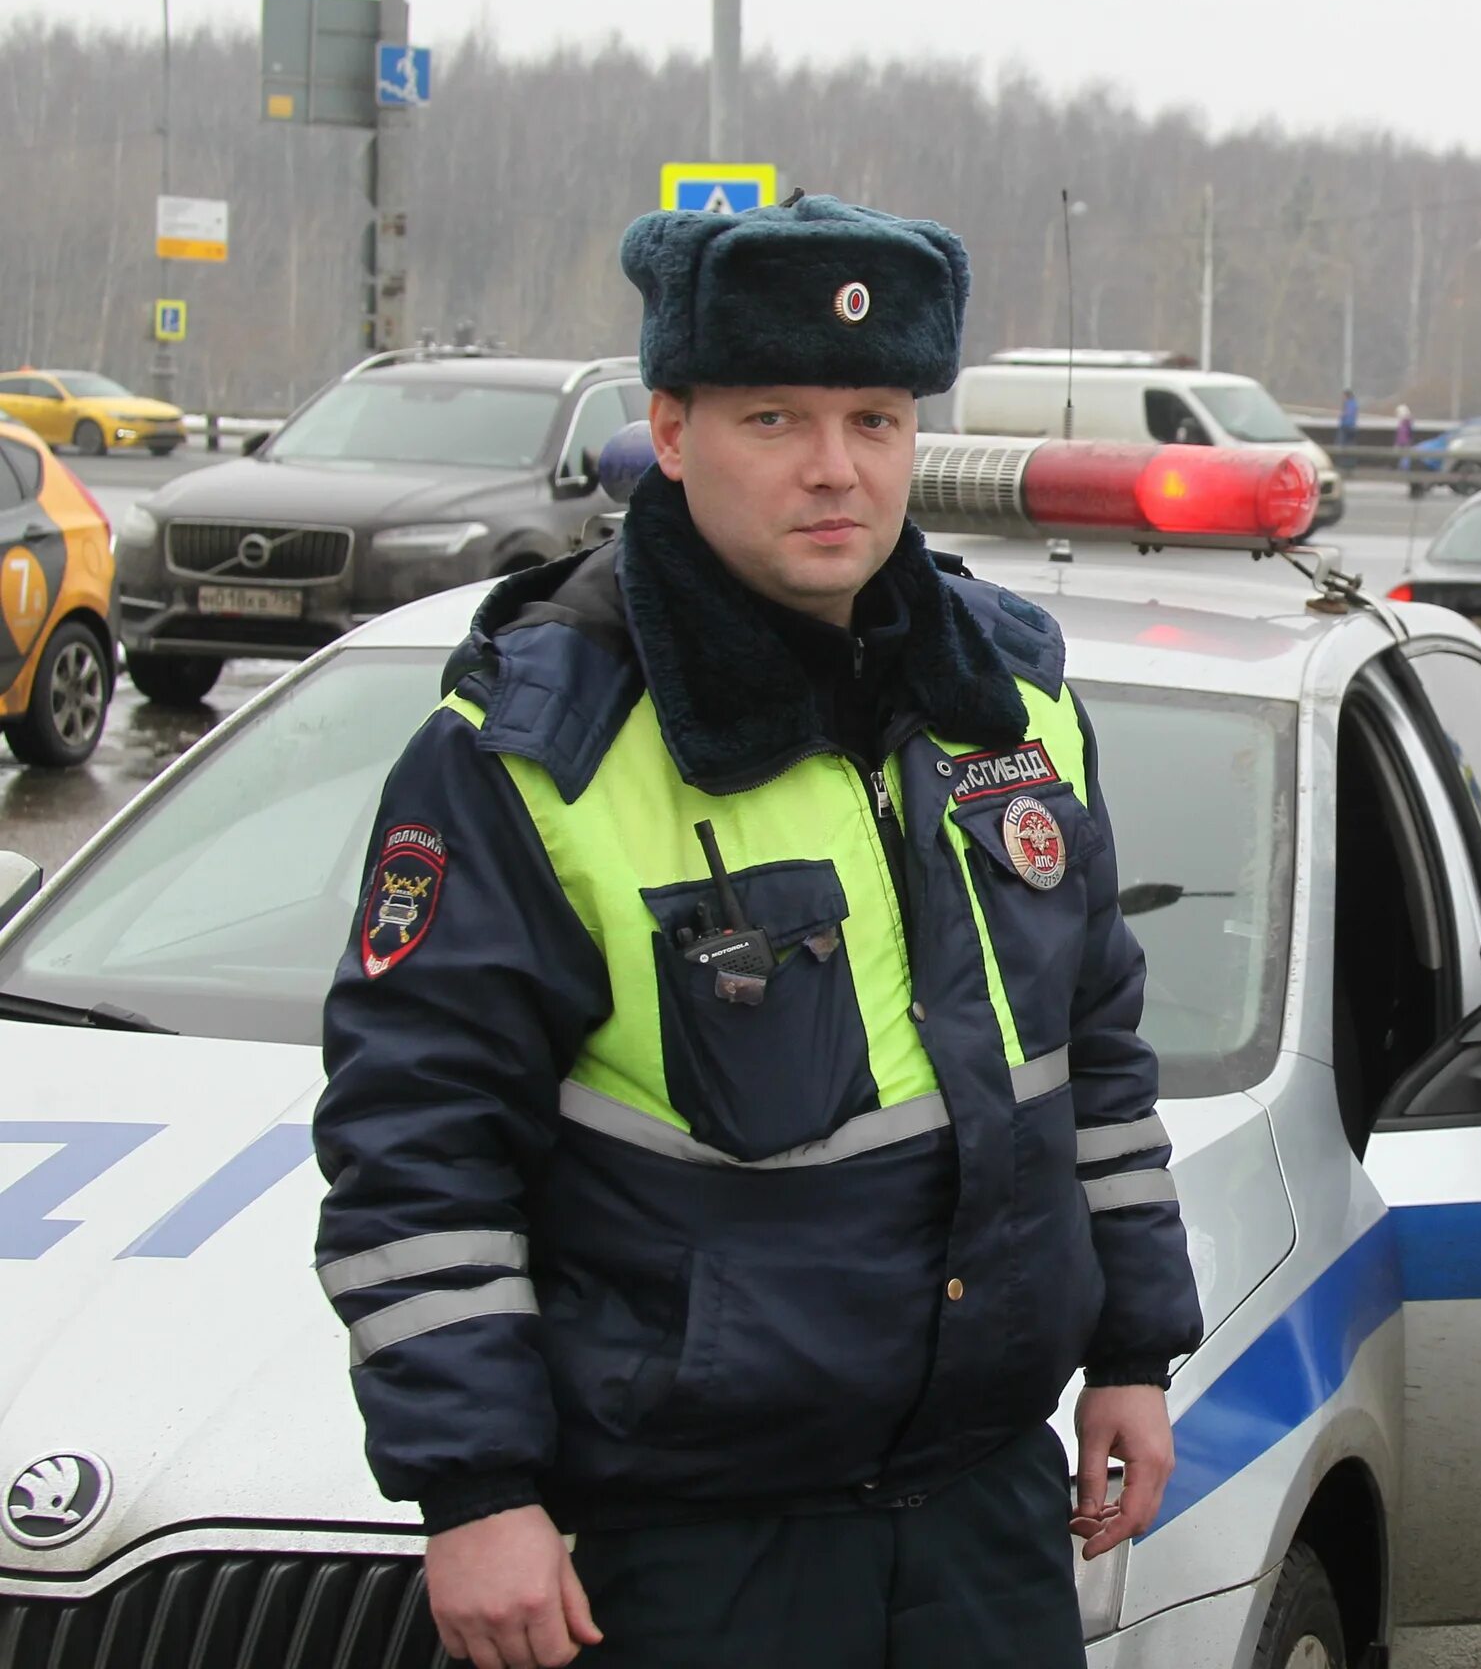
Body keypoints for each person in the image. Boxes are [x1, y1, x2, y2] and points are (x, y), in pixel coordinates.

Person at [314, 194, 1202, 1669]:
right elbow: (418, 1145)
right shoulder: (537, 753)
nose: (835, 470)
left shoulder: (1013, 704)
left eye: (875, 418)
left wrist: (1132, 1349)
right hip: (692, 1545)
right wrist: (473, 1491)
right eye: (775, 418)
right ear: (671, 432)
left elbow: (1093, 1056)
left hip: (985, 1504)